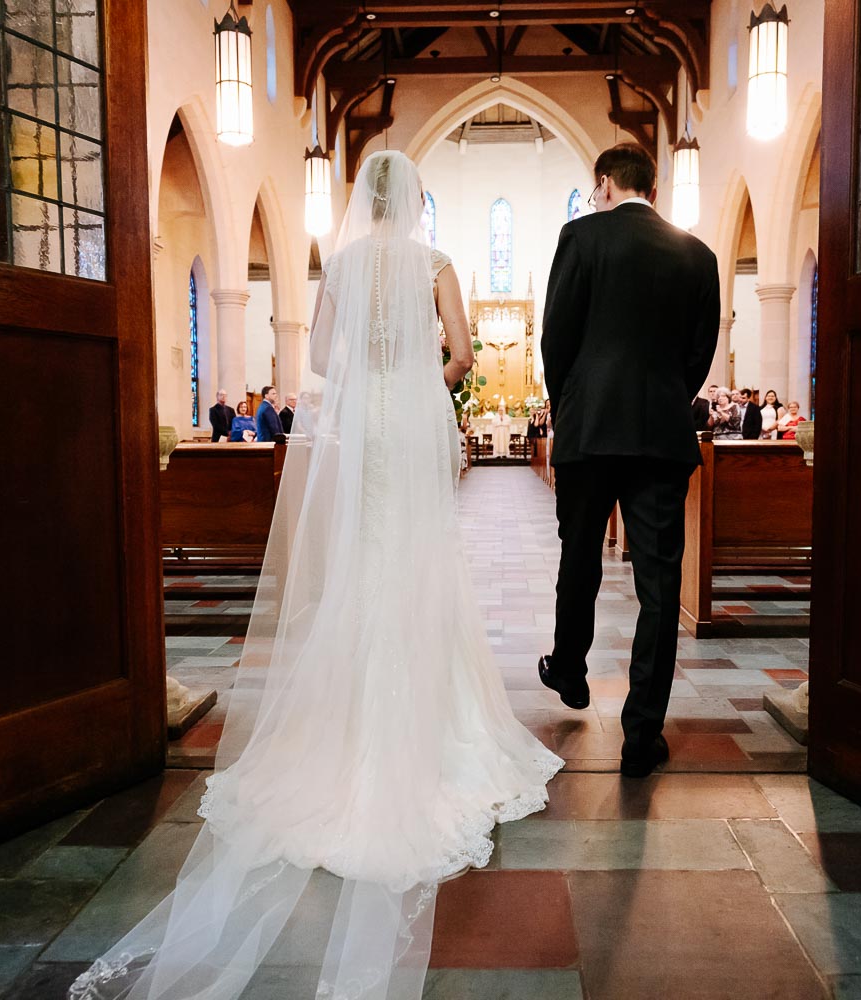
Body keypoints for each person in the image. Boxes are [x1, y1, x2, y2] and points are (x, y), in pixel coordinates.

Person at [71, 150, 560, 1000]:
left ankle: (344, 726)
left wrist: (375, 373)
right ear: (413, 204)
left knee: (365, 558)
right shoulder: (436, 263)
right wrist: (421, 376)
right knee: (420, 554)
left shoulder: (339, 263)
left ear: (362, 201)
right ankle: (430, 721)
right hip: (411, 419)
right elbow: (462, 352)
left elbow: (327, 359)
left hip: (366, 424)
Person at [538, 141, 720, 780]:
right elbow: (699, 354)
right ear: (653, 186)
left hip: (589, 429)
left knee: (579, 555)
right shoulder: (697, 255)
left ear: (606, 185)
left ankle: (569, 669)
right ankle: (642, 732)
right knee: (660, 584)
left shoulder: (581, 238)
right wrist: (665, 398)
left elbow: (555, 337)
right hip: (662, 436)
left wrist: (571, 403)